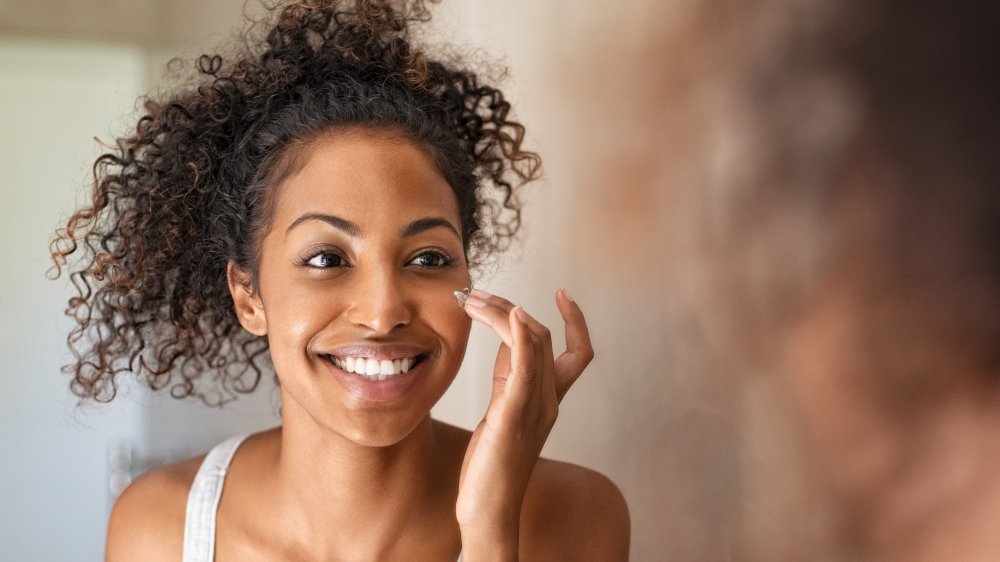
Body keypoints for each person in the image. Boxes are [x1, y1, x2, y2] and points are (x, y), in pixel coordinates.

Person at [49, 1, 630, 560]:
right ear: (248, 297)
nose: (382, 313)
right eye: (327, 258)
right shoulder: (159, 529)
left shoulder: (575, 514)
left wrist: (490, 528)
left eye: (428, 258)